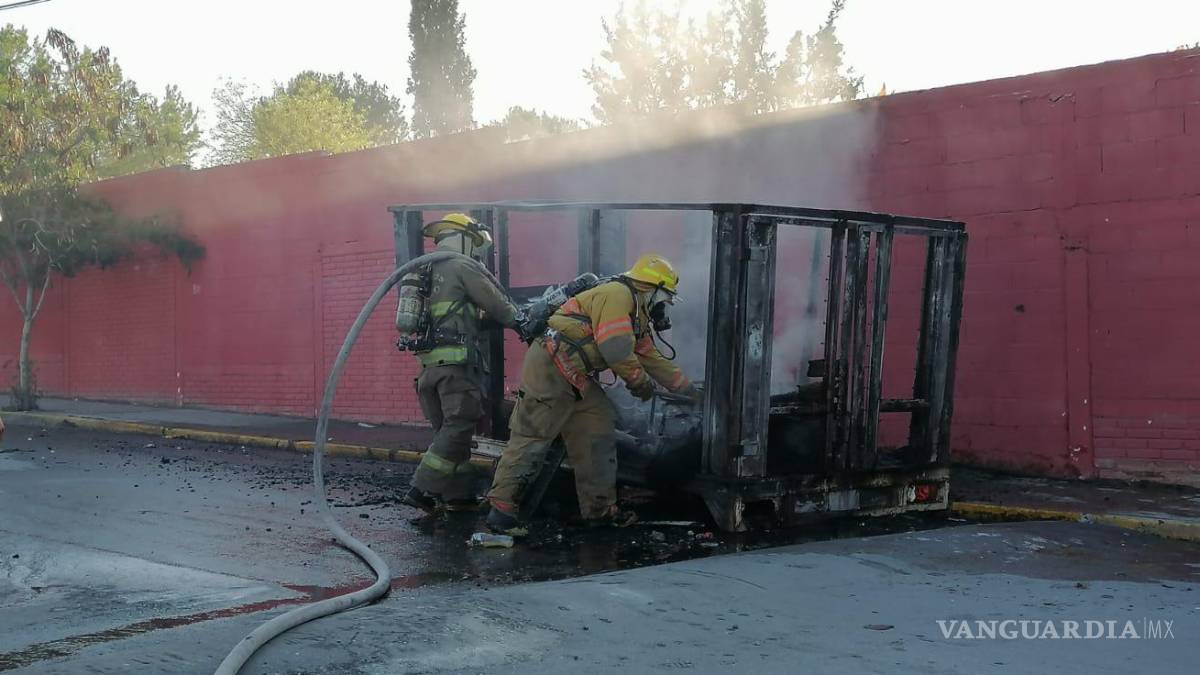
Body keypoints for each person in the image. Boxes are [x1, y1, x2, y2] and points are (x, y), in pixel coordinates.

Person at [485, 253, 701, 534]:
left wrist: (689, 391)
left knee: (598, 429)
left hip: (576, 377)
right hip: (550, 367)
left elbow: (653, 359)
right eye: (665, 299)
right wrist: (640, 384)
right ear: (652, 289)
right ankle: (502, 511)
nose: (665, 307)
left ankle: (599, 511)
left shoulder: (635, 315)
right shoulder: (617, 295)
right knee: (532, 436)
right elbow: (615, 348)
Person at [400, 213, 524, 515]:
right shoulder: (462, 266)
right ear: (465, 239)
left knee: (451, 434)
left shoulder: (423, 269)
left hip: (429, 370)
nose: (478, 252)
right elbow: (498, 304)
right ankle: (422, 489)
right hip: (455, 367)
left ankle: (457, 496)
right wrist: (524, 322)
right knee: (458, 428)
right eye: (476, 245)